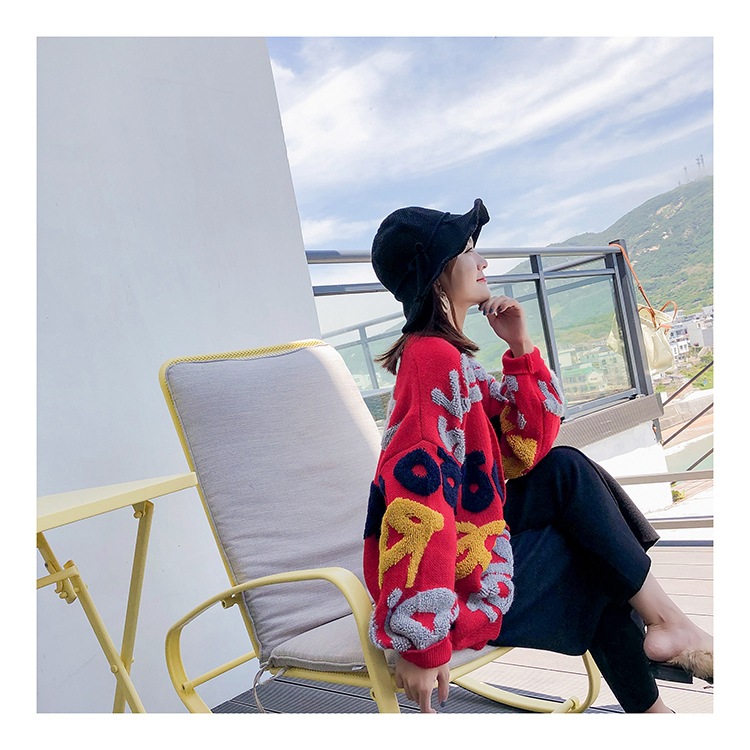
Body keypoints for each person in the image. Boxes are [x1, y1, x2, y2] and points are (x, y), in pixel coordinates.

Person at [362, 199, 713, 714]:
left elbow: (526, 448)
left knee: (565, 470)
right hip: (451, 576)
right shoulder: (431, 360)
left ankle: (663, 653)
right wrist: (420, 640)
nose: (482, 261)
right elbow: (417, 496)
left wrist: (521, 347)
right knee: (583, 552)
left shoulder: (449, 358)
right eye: (467, 250)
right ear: (437, 272)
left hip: (469, 536)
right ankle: (664, 653)